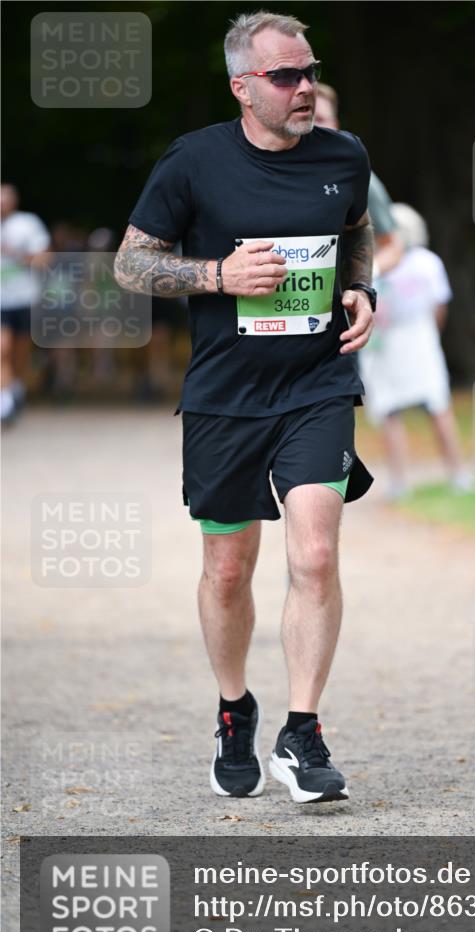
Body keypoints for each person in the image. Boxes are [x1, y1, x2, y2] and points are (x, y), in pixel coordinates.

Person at [114, 11, 375, 804]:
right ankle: (235, 711)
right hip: (225, 395)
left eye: (309, 72)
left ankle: (303, 733)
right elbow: (130, 266)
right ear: (242, 87)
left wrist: (361, 289)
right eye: (284, 76)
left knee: (315, 555)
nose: (303, 87)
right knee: (227, 571)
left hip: (316, 383)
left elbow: (356, 231)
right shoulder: (193, 161)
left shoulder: (343, 154)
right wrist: (217, 277)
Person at [359, 203, 475, 498]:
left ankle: (404, 481)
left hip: (390, 340)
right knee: (434, 407)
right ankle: (456, 474)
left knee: (395, 413)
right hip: (416, 338)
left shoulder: (376, 265)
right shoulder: (426, 263)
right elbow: (440, 307)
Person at [314, 83, 402, 277]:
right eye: (308, 117)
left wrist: (360, 280)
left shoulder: (355, 175)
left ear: (335, 125)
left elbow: (393, 247)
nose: (314, 127)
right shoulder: (269, 171)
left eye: (320, 119)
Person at [0, 183, 50, 423]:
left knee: (20, 351)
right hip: (1, 300)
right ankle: (4, 401)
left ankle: (16, 387)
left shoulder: (28, 223)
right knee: (3, 349)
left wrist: (14, 254)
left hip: (24, 297)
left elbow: (44, 259)